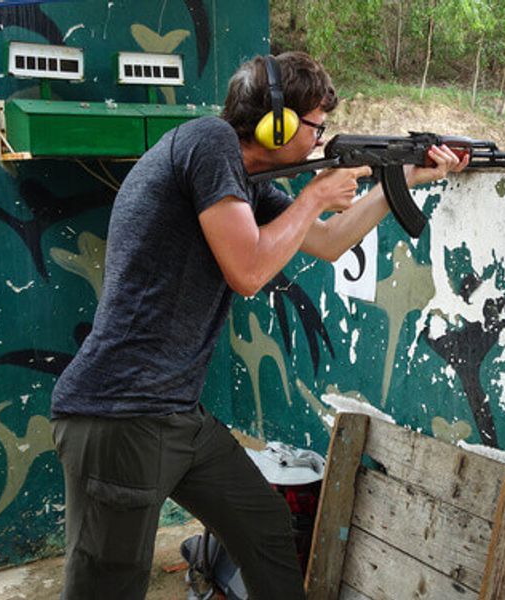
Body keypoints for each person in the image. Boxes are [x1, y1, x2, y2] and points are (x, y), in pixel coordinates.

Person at [50, 51, 467, 599]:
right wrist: (316, 192)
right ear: (278, 123)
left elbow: (329, 239)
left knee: (265, 525)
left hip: (175, 414)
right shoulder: (207, 142)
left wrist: (405, 177)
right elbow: (248, 271)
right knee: (108, 587)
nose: (321, 140)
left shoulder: (243, 182)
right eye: (317, 125)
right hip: (119, 418)